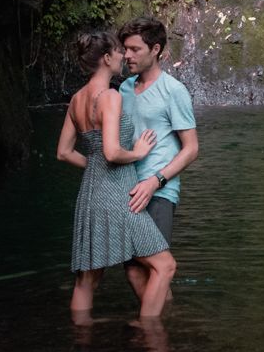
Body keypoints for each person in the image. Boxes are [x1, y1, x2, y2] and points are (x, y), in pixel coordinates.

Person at [55, 31, 177, 319]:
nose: (125, 56)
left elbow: (63, 152)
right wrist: (138, 152)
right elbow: (111, 152)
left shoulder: (76, 99)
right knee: (165, 266)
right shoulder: (109, 96)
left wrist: (94, 167)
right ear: (107, 58)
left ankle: (81, 342)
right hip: (118, 192)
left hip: (90, 193)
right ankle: (148, 333)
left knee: (87, 278)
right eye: (120, 52)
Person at [117, 17, 198, 307]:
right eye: (125, 49)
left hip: (159, 191)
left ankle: (153, 336)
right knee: (132, 269)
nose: (127, 55)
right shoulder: (123, 90)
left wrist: (156, 181)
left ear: (156, 49)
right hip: (126, 188)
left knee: (154, 266)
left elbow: (191, 149)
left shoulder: (173, 91)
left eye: (135, 49)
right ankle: (166, 326)